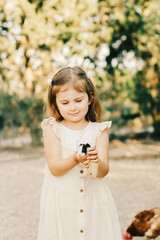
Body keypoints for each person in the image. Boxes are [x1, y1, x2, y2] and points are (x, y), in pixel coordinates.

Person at [38, 66, 122, 240]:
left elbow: (103, 172)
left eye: (78, 100)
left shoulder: (99, 131)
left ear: (90, 98)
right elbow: (55, 168)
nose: (73, 107)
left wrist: (95, 161)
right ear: (55, 103)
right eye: (65, 103)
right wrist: (75, 159)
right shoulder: (52, 128)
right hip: (62, 204)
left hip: (94, 201)